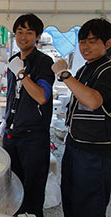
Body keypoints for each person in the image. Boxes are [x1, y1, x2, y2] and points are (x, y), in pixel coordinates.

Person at [51, 18, 111, 217]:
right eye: (82, 41)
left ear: (108, 44)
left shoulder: (108, 70)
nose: (85, 46)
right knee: (71, 198)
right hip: (75, 144)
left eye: (92, 41)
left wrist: (64, 74)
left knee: (89, 205)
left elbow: (94, 101)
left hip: (96, 152)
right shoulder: (85, 68)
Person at [0, 13, 55, 216]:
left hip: (33, 138)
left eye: (29, 32)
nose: (23, 37)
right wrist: (6, 119)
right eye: (19, 32)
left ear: (38, 36)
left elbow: (41, 97)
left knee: (32, 190)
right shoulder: (13, 60)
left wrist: (22, 74)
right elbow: (13, 96)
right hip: (12, 135)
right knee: (11, 186)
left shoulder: (44, 62)